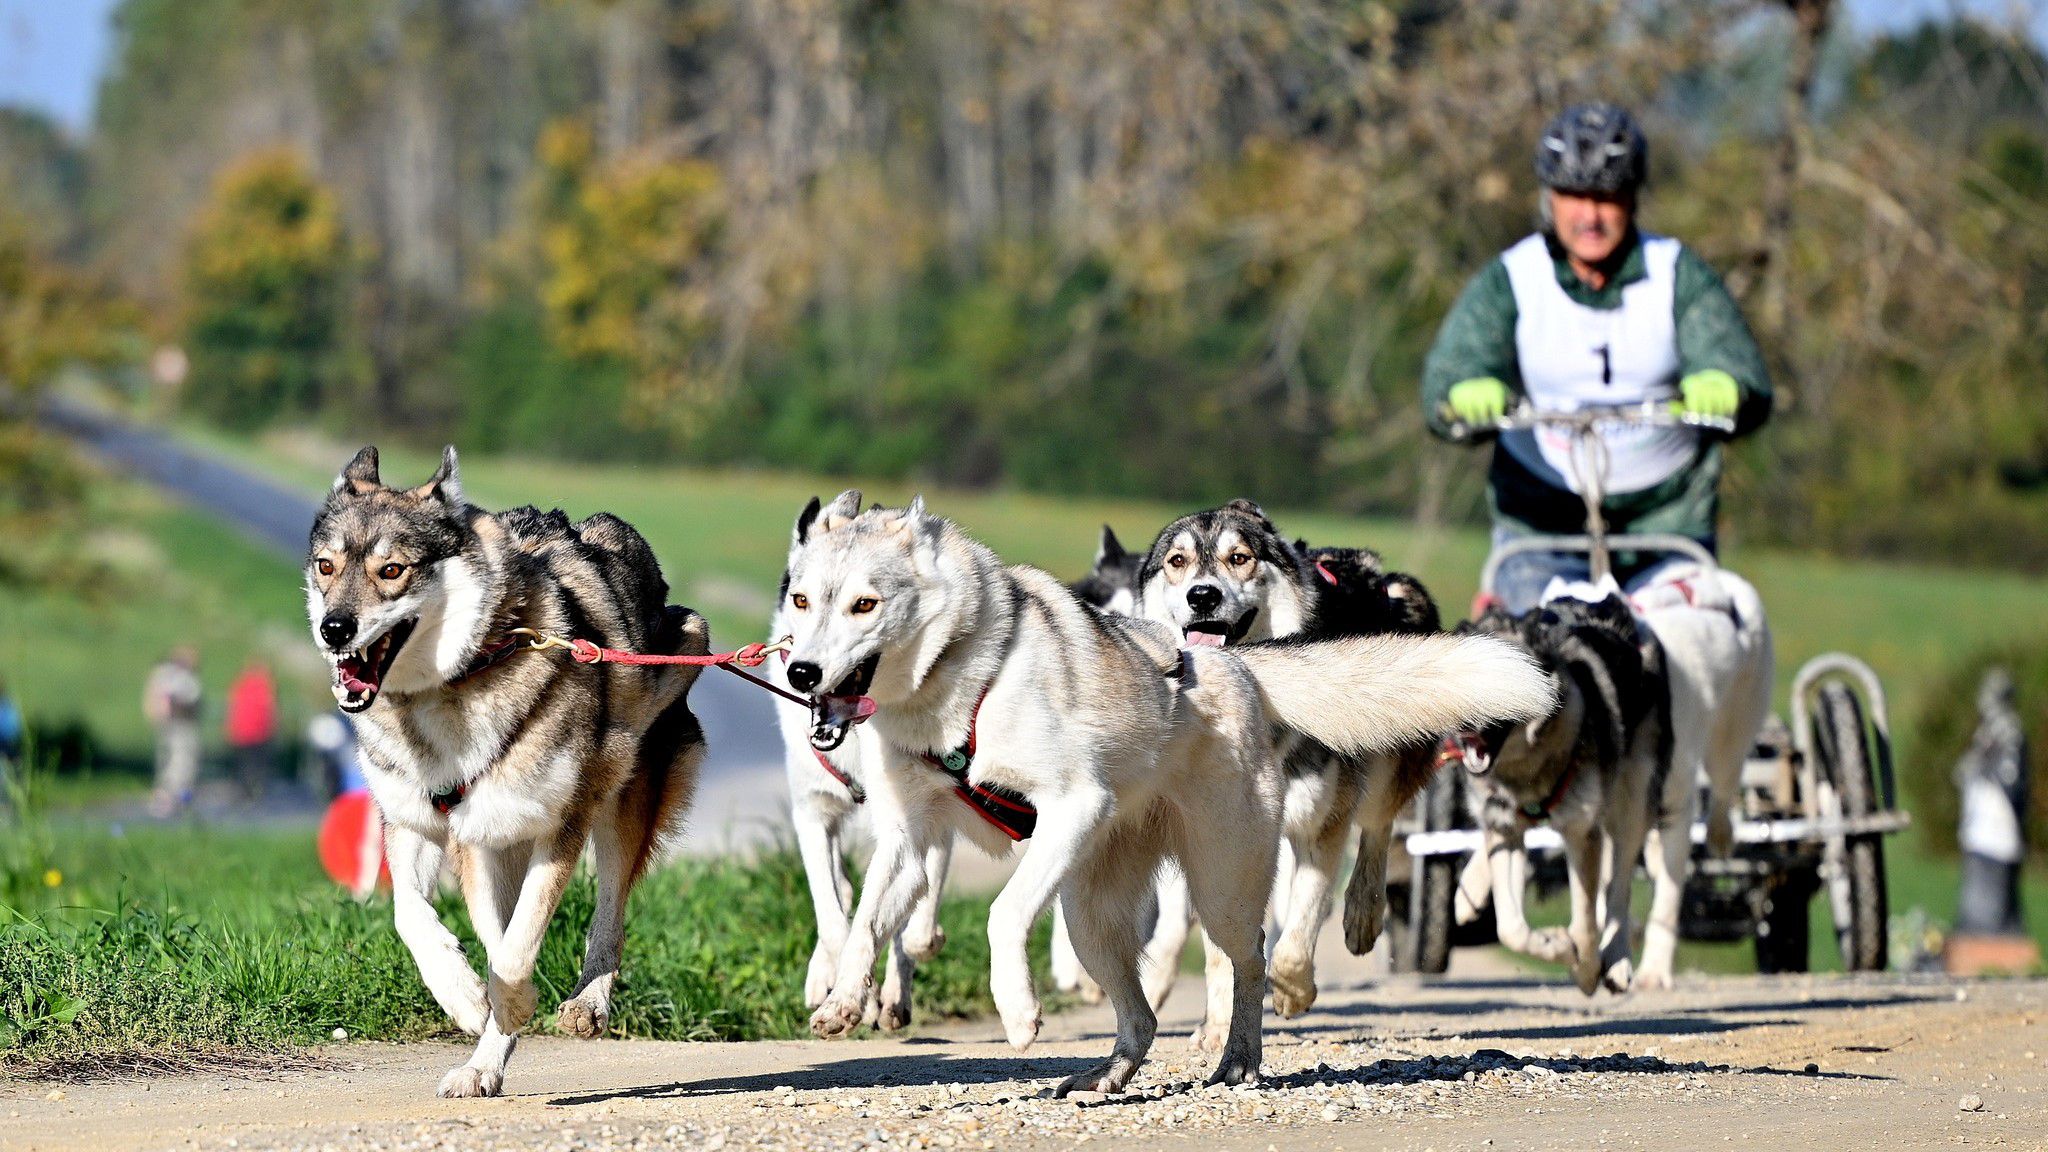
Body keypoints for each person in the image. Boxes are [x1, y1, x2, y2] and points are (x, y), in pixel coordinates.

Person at [1422, 103, 1773, 613]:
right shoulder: (1512, 278)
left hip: (1665, 528)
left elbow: (1737, 367)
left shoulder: (1677, 274)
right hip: (1542, 530)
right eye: (1573, 194)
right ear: (1548, 197)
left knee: (1690, 644)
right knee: (1535, 646)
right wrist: (1463, 393)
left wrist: (1726, 383)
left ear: (1632, 197)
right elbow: (1450, 376)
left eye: (1606, 196)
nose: (1589, 214)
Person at [144, 646, 204, 818]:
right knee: (177, 763)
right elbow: (178, 698)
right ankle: (167, 799)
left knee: (183, 763)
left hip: (182, 725)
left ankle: (180, 799)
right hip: (178, 724)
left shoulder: (177, 676)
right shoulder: (174, 676)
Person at [223, 659, 278, 800]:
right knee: (257, 764)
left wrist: (229, 727)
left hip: (242, 731)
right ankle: (254, 792)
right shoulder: (264, 685)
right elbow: (269, 708)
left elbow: (232, 706)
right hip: (257, 731)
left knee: (244, 764)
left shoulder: (240, 684)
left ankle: (245, 791)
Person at [0, 674, 22, 802]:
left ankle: (12, 800)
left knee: (15, 768)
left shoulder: (7, 705)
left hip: (6, 744)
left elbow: (14, 727)